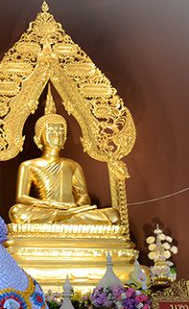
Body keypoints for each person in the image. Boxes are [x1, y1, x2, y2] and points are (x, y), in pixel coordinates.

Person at [9, 89, 119, 225]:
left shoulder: (72, 165)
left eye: (61, 130)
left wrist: (75, 206)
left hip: (71, 211)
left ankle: (63, 218)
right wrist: (50, 205)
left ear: (65, 138)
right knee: (17, 212)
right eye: (51, 130)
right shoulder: (29, 165)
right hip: (47, 210)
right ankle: (64, 218)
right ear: (38, 140)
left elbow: (84, 197)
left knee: (113, 215)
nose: (57, 134)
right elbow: (21, 198)